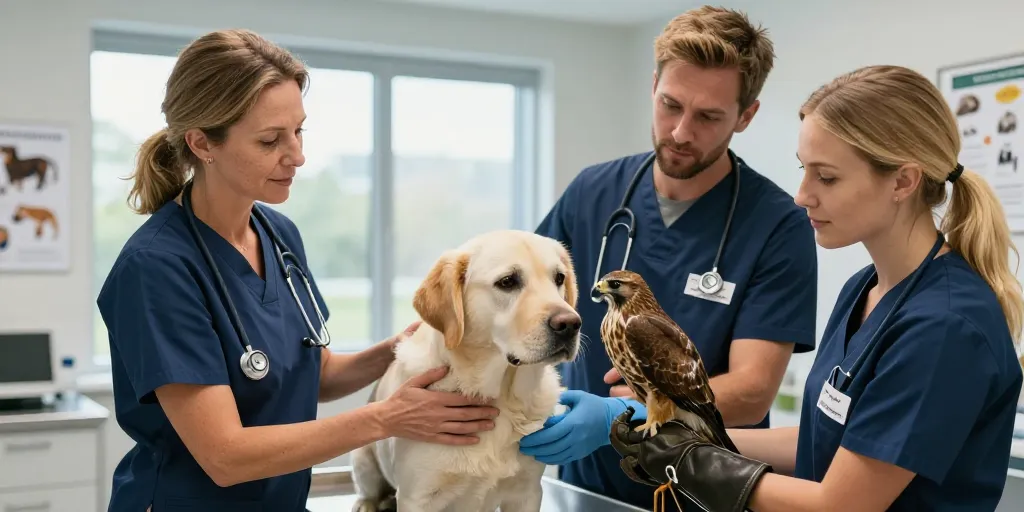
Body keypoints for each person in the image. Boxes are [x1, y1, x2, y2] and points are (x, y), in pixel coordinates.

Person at [96, 29, 499, 512]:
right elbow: (225, 456)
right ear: (203, 143)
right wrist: (386, 418)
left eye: (298, 131)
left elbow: (315, 374)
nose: (298, 156)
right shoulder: (157, 269)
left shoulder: (278, 235)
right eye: (270, 140)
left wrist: (406, 348)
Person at [609, 64, 1024, 512]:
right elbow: (823, 442)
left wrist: (691, 463)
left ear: (903, 181)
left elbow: (841, 504)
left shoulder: (945, 327)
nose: (801, 195)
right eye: (804, 169)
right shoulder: (864, 289)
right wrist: (690, 435)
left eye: (826, 177)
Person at [519, 5, 819, 510]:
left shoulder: (777, 225)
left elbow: (751, 391)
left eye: (708, 116)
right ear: (653, 84)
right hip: (583, 485)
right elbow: (522, 308)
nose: (680, 132)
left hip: (701, 490)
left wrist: (630, 414)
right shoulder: (592, 192)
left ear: (746, 115)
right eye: (670, 104)